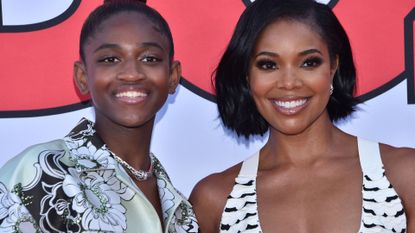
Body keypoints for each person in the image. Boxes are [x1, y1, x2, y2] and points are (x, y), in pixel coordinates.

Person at [189, 0, 415, 232]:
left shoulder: (405, 175)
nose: (289, 83)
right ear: (247, 75)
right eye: (268, 65)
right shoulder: (214, 200)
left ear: (333, 66)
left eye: (309, 63)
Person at [0, 1, 199, 232]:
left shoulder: (182, 210)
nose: (132, 74)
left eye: (150, 58)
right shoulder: (38, 173)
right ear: (83, 77)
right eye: (110, 59)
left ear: (173, 76)